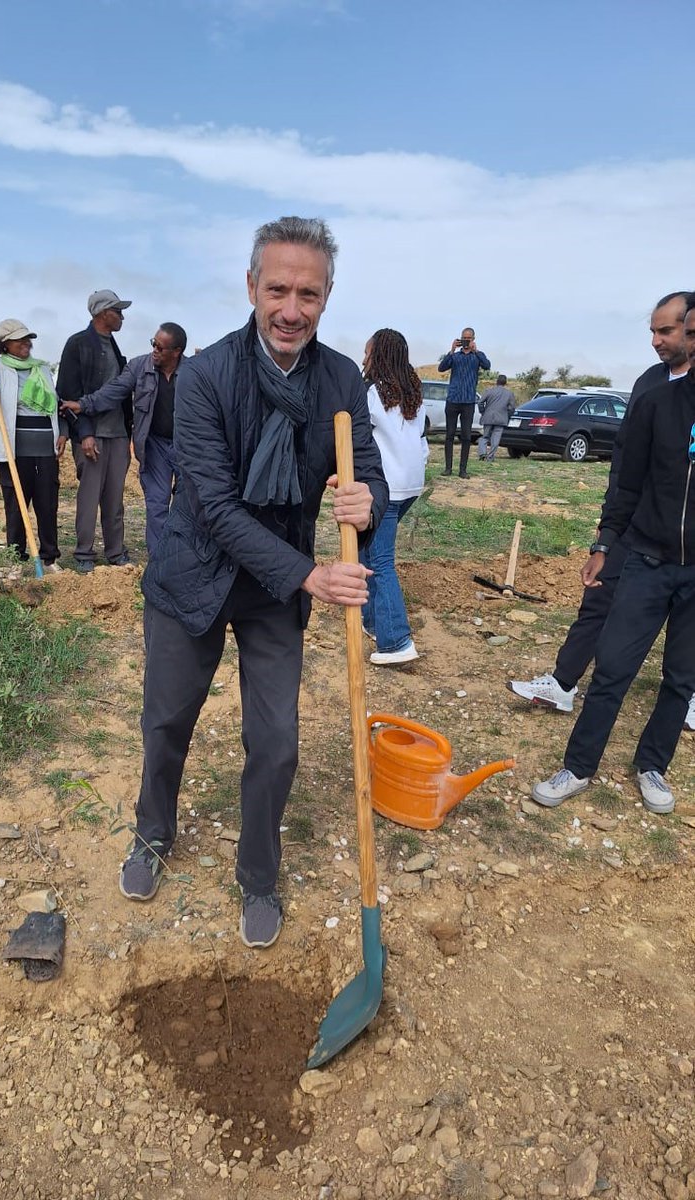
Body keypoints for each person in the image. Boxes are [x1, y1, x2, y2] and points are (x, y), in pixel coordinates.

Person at [118, 216, 388, 949]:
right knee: (168, 720)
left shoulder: (340, 379)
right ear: (251, 287)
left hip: (275, 593)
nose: (291, 309)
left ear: (326, 298)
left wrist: (367, 504)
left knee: (276, 741)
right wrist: (309, 575)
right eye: (278, 289)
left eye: (308, 293)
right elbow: (215, 507)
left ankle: (258, 873)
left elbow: (366, 471)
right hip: (194, 576)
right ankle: (151, 834)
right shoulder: (205, 377)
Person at [531, 294, 695, 814]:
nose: (662, 340)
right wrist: (605, 544)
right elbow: (626, 482)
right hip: (647, 560)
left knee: (681, 679)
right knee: (613, 670)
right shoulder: (656, 401)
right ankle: (577, 767)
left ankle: (653, 766)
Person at [61, 323, 187, 555]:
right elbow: (114, 390)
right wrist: (83, 404)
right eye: (153, 343)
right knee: (157, 504)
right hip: (155, 446)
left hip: (187, 448)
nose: (155, 350)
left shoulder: (194, 371)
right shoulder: (140, 366)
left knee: (186, 505)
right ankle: (159, 560)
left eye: (160, 347)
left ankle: (182, 557)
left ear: (176, 352)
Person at [0, 319, 66, 573]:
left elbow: (56, 406)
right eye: (19, 339)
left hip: (46, 449)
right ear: (4, 345)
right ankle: (17, 559)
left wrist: (63, 432)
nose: (27, 343)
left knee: (47, 504)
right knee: (16, 506)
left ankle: (49, 559)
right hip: (14, 450)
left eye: (28, 339)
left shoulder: (42, 369)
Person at [360, 329, 428, 666]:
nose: (364, 358)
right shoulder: (413, 392)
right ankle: (372, 620)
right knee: (366, 551)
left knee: (380, 559)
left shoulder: (373, 393)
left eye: (368, 352)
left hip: (386, 487)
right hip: (411, 485)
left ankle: (397, 641)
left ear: (379, 355)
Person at [56, 290, 133, 571]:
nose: (122, 316)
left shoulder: (113, 346)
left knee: (115, 498)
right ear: (102, 313)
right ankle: (84, 554)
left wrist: (128, 434)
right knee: (89, 498)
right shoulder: (78, 345)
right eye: (118, 311)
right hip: (93, 436)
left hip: (118, 435)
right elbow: (68, 395)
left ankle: (116, 552)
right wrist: (85, 434)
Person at [438, 327, 491, 478]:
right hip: (453, 400)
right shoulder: (455, 357)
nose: (466, 341)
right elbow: (441, 368)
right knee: (449, 435)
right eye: (464, 338)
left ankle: (463, 470)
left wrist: (477, 351)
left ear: (473, 339)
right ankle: (448, 468)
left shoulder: (477, 357)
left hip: (468, 401)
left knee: (467, 437)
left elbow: (487, 366)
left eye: (469, 338)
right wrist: (451, 350)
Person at [477, 374, 516, 462]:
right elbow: (512, 408)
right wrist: (507, 415)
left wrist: (482, 411)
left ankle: (482, 453)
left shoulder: (489, 391)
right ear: (505, 383)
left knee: (485, 436)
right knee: (496, 437)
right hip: (501, 419)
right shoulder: (509, 394)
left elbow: (480, 402)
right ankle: (490, 457)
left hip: (488, 417)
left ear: (496, 381)